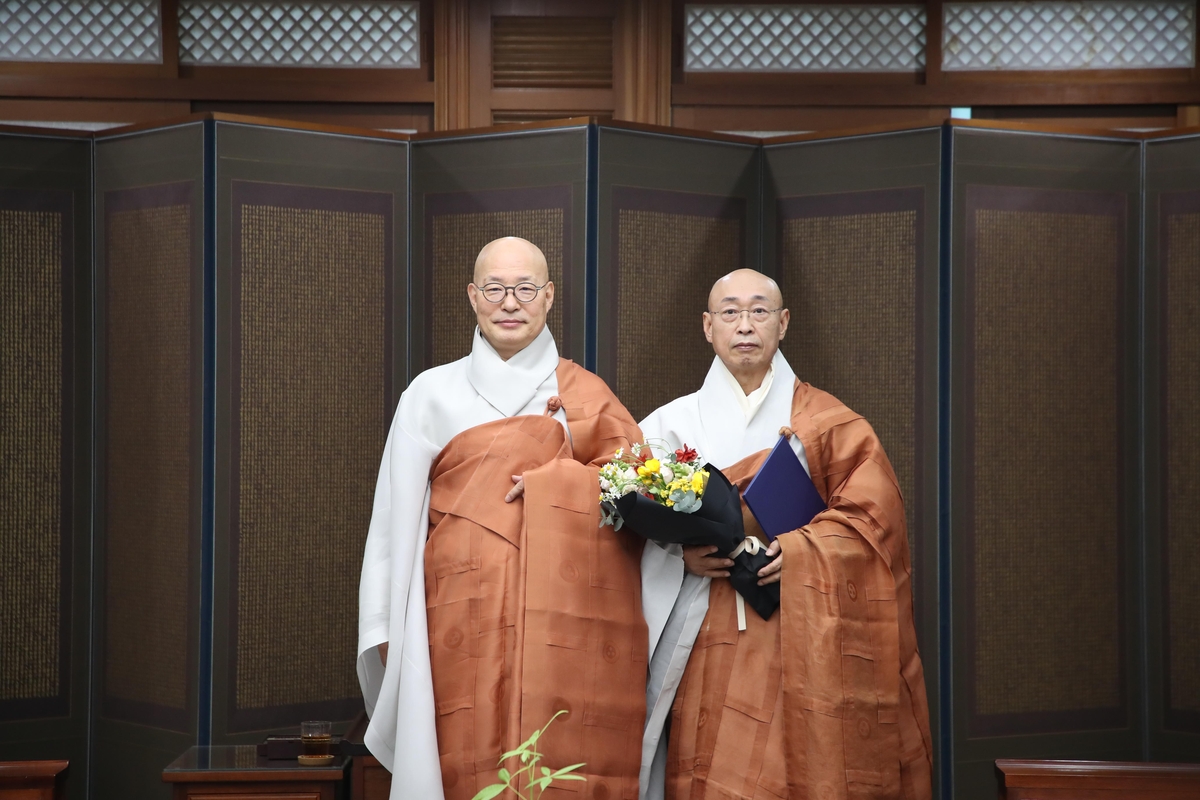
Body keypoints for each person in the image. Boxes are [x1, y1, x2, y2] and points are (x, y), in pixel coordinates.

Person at [357, 237, 647, 800]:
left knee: (558, 749)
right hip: (454, 612)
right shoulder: (430, 393)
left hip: (564, 619)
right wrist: (386, 623)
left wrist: (558, 484)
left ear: (549, 296)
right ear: (472, 296)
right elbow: (392, 523)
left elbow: (638, 492)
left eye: (524, 289)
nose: (509, 302)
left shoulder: (584, 394)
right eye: (494, 288)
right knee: (463, 746)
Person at [638, 269, 932, 800]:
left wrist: (801, 552)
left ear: (783, 323)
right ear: (708, 326)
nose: (744, 325)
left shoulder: (831, 423)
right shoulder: (667, 425)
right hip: (703, 624)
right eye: (730, 312)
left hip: (799, 627)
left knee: (791, 766)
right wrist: (682, 555)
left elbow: (874, 522)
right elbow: (626, 527)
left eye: (759, 311)